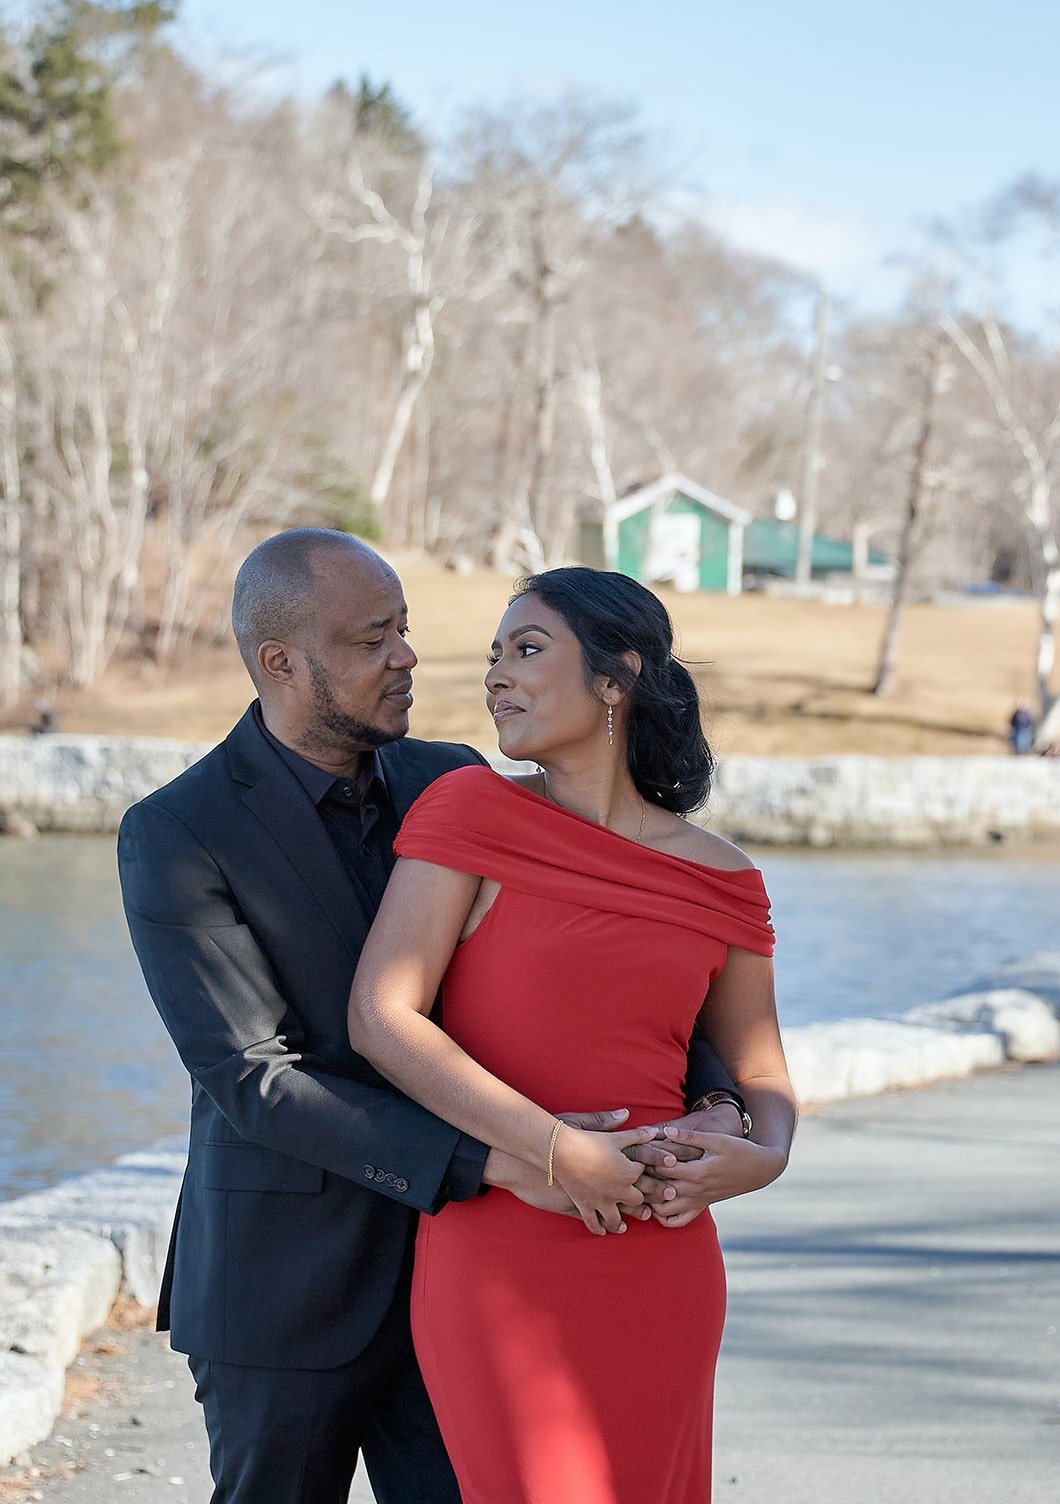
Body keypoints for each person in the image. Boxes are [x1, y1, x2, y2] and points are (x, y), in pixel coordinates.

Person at [117, 530, 750, 1504]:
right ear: (283, 663)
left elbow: (612, 955)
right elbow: (258, 1077)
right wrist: (517, 1156)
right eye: (374, 640)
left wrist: (716, 1096)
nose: (408, 656)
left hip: (479, 1278)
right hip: (287, 1292)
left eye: (404, 629)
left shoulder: (454, 779)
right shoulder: (177, 831)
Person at [348, 566, 797, 1504]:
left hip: (662, 1249)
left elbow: (762, 1075)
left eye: (527, 648)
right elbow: (382, 1018)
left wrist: (764, 1157)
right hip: (504, 1244)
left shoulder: (725, 879)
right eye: (493, 657)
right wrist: (553, 1149)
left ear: (615, 677)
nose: (496, 676)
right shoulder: (470, 812)